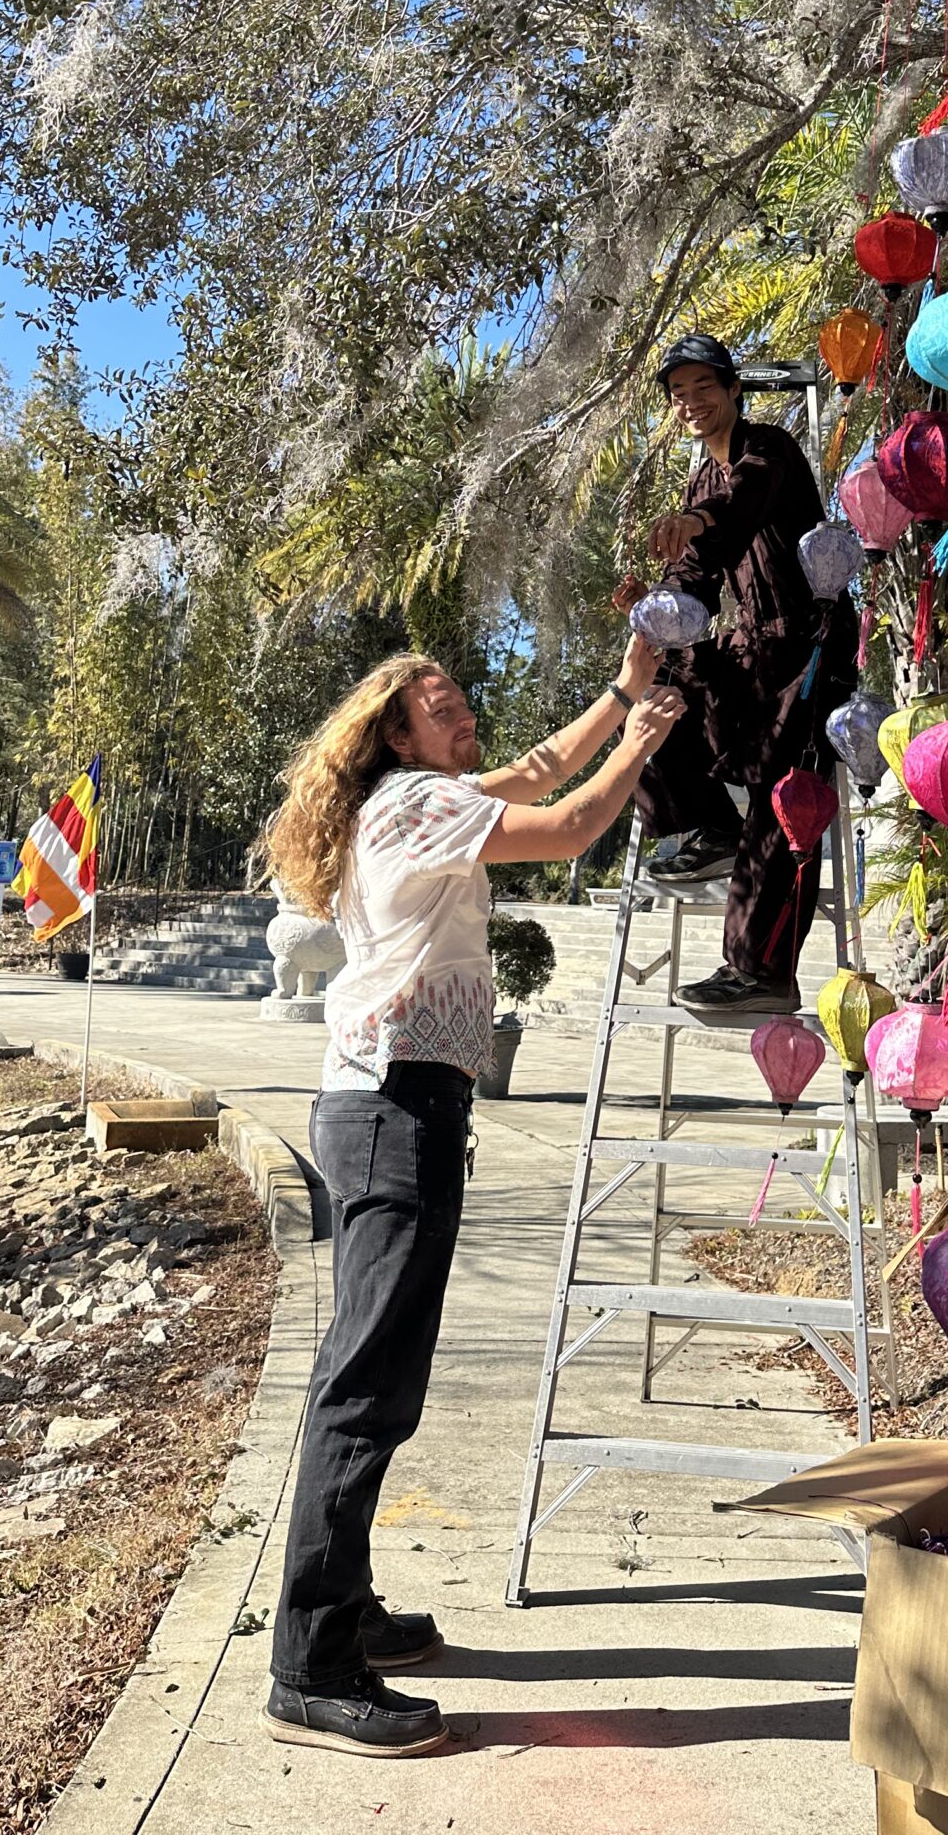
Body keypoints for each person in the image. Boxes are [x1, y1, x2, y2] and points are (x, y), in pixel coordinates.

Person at [261, 641, 682, 1758]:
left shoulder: (422, 801)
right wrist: (641, 742)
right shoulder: (415, 802)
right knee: (365, 1389)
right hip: (393, 1109)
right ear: (396, 735)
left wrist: (622, 689)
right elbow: (569, 824)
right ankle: (310, 1668)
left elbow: (536, 773)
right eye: (439, 705)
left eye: (461, 701)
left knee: (375, 1380)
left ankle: (343, 1609)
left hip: (398, 1106)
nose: (464, 715)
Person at [636, 332, 857, 1015]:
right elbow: (695, 578)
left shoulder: (770, 449)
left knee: (781, 794)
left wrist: (695, 521)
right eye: (679, 394)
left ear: (734, 390)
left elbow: (743, 504)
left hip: (812, 646)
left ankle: (758, 971)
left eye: (704, 387)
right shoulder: (699, 480)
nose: (692, 402)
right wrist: (657, 606)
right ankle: (710, 829)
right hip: (755, 644)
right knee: (654, 694)